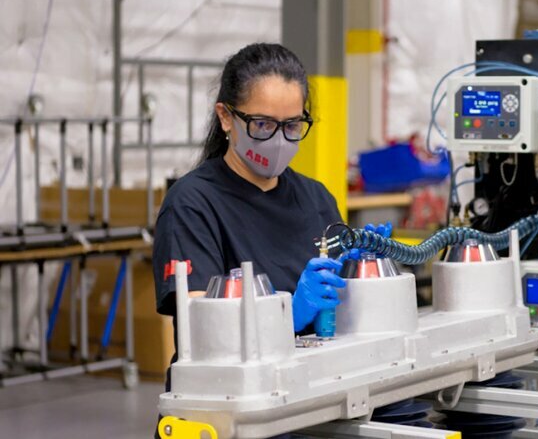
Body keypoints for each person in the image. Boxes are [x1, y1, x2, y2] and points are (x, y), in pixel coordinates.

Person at [151, 42, 389, 437]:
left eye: (292, 126)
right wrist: (287, 317)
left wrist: (364, 276)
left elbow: (342, 318)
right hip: (228, 414)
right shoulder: (192, 204)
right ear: (226, 117)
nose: (279, 140)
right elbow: (199, 329)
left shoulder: (316, 199)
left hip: (306, 402)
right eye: (263, 125)